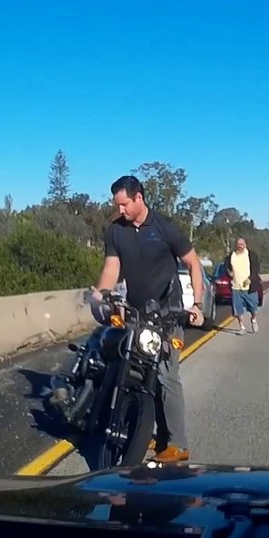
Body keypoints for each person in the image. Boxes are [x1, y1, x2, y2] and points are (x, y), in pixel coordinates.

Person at [90, 174, 205, 464]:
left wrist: (198, 304)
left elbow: (193, 264)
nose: (120, 210)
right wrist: (102, 293)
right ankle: (147, 429)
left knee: (166, 376)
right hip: (134, 312)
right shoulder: (116, 231)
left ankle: (178, 444)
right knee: (137, 372)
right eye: (117, 205)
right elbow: (111, 268)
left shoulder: (165, 227)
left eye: (124, 204)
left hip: (168, 315)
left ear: (139, 198)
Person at [227, 237, 263, 335]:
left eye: (242, 244)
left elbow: (256, 269)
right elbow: (227, 267)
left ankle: (254, 319)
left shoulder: (251, 255)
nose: (240, 246)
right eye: (238, 244)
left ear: (245, 245)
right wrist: (229, 273)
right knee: (238, 310)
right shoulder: (232, 255)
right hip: (236, 288)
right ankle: (242, 327)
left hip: (249, 288)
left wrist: (250, 279)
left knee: (253, 308)